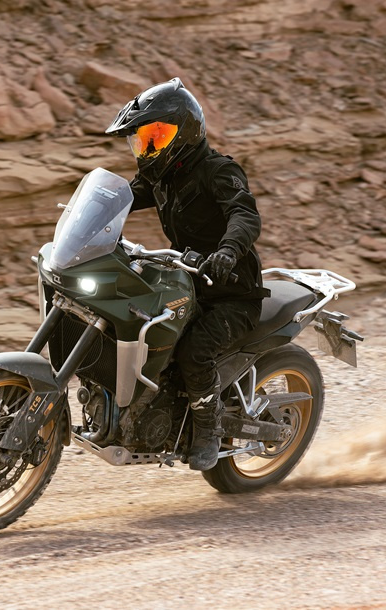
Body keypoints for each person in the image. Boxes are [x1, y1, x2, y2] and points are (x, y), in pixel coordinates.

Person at [106, 78, 268, 471]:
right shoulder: (161, 177)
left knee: (195, 352)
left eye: (156, 137)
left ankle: (208, 430)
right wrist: (88, 216)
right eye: (143, 140)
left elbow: (244, 213)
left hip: (231, 293)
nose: (148, 148)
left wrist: (227, 251)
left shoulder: (218, 171)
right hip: (187, 282)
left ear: (185, 132)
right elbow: (123, 199)